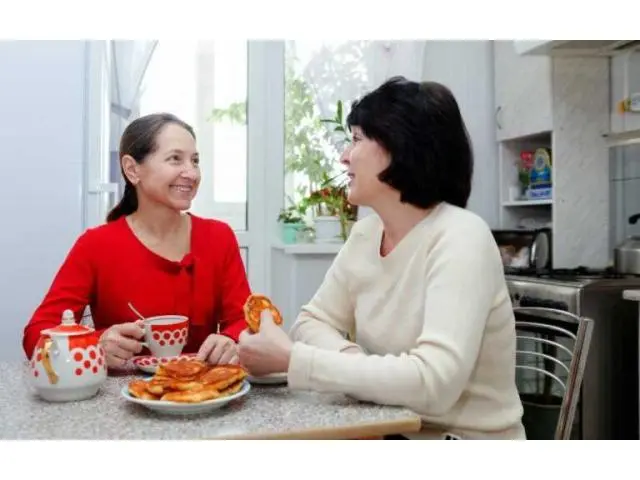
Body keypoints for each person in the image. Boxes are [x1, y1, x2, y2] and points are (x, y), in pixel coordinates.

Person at [238, 77, 526, 440]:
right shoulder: (366, 234)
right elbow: (311, 322)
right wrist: (355, 365)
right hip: (386, 429)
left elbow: (434, 384)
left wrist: (296, 361)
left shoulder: (461, 237)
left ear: (400, 146)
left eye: (357, 139)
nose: (344, 156)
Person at [23, 113, 251, 369]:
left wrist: (231, 340)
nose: (192, 173)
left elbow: (244, 321)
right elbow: (36, 334)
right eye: (175, 159)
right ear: (132, 169)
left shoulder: (219, 237)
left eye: (195, 161)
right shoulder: (96, 245)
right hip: (120, 392)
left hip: (201, 388)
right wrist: (94, 345)